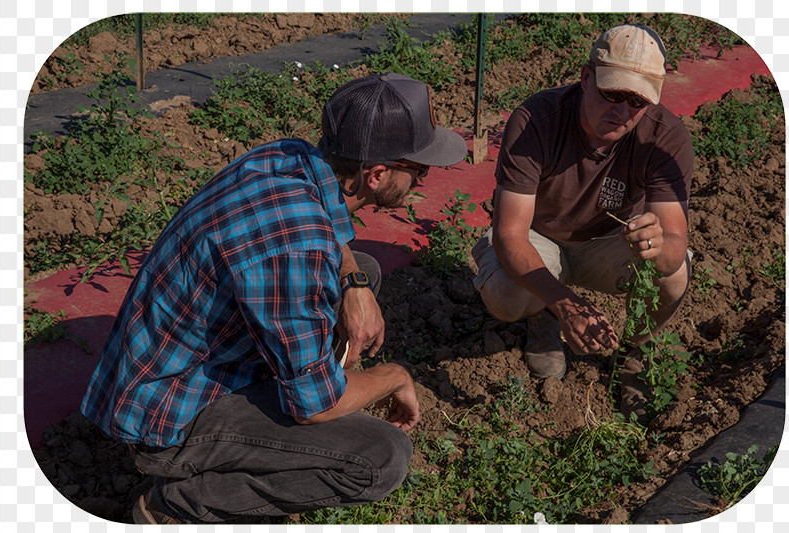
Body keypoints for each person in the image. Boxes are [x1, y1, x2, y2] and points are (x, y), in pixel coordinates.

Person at [80, 72, 468, 524]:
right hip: (170, 417)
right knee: (382, 458)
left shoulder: (288, 158)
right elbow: (315, 407)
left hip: (167, 370)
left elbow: (324, 227)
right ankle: (178, 506)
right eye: (418, 170)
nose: (422, 179)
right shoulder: (297, 245)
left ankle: (296, 395)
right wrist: (394, 376)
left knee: (367, 270)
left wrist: (355, 284)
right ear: (376, 174)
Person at [471, 24, 693, 422]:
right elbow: (509, 234)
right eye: (612, 93)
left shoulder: (665, 137)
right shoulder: (537, 120)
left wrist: (660, 244)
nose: (622, 111)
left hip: (608, 240)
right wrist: (565, 304)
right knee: (507, 294)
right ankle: (540, 316)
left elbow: (675, 241)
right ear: (587, 77)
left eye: (637, 101)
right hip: (537, 238)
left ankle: (633, 353)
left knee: (674, 275)